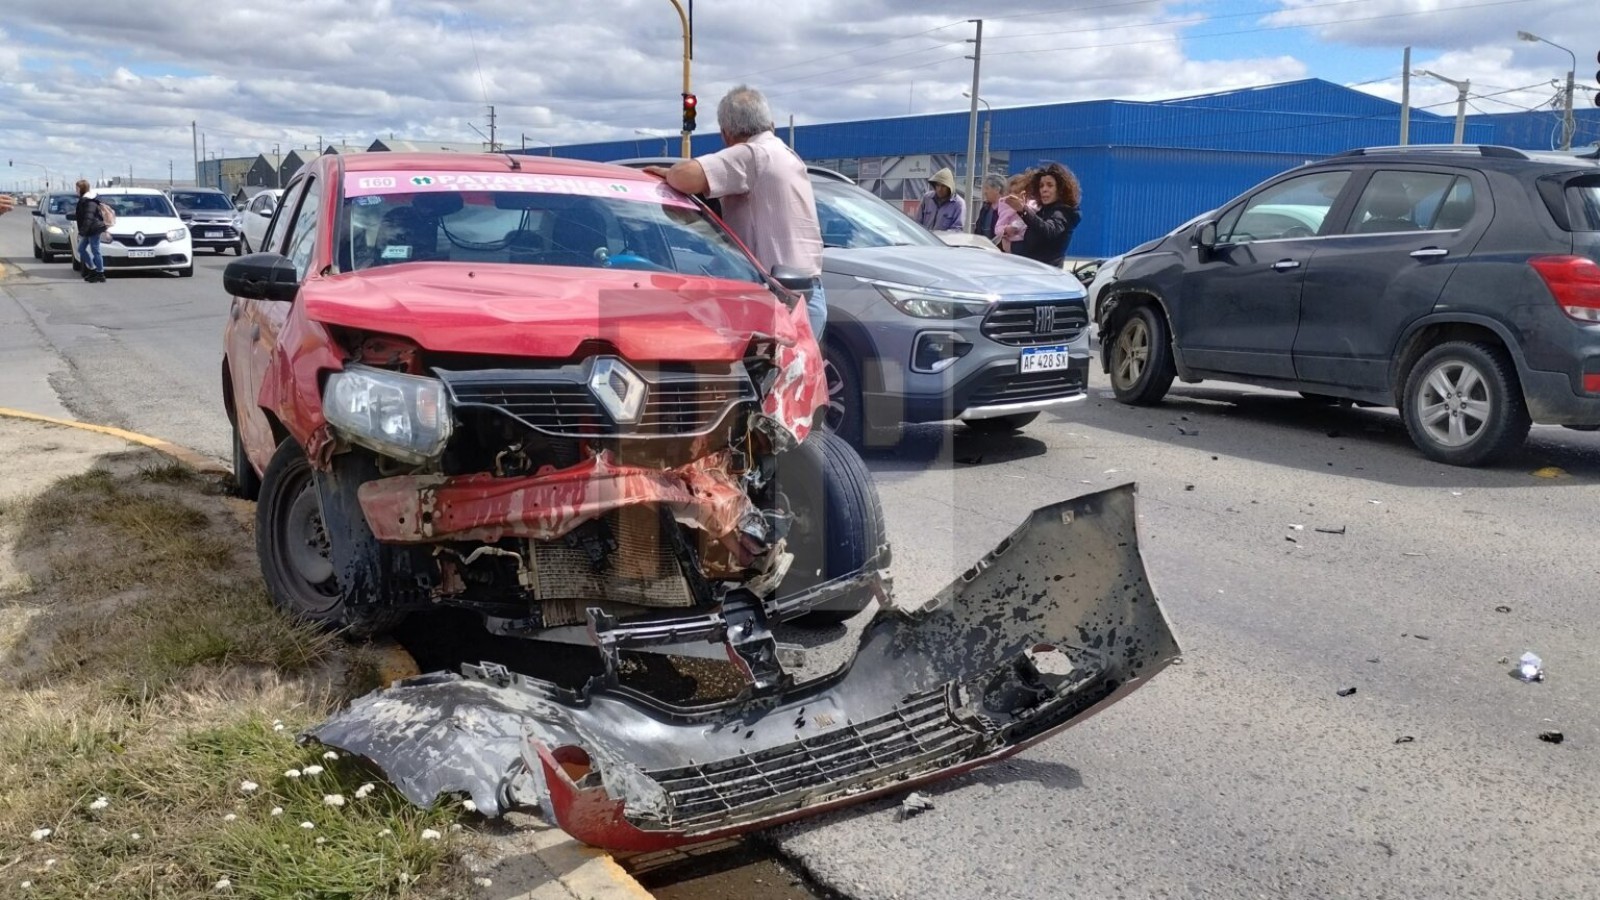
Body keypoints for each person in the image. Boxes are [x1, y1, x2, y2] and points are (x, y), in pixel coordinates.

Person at [642, 85, 827, 341]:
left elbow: (684, 178)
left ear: (726, 135)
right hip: (809, 293)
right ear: (771, 125)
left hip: (777, 301)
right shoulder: (786, 155)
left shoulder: (753, 155)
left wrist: (671, 173)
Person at [1006, 162, 1081, 267]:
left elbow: (1048, 231)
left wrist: (1023, 210)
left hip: (1047, 276)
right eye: (1041, 186)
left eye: (1050, 185)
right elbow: (1031, 246)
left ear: (1060, 189)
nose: (1044, 189)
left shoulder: (1063, 213)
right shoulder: (1042, 211)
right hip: (1032, 272)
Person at [72, 179, 108, 283]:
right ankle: (92, 270)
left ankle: (100, 273)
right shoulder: (85, 199)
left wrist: (82, 233)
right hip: (90, 229)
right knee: (81, 249)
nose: (76, 190)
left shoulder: (89, 201)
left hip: (94, 228)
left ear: (82, 189)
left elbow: (88, 218)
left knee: (95, 250)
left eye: (77, 188)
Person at [993, 171, 1035, 253]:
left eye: (1016, 192)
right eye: (1010, 192)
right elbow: (998, 228)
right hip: (1012, 244)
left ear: (1024, 194)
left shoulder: (1032, 205)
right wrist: (1006, 229)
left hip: (1028, 244)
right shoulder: (1006, 207)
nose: (1011, 195)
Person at [916, 168, 966, 232]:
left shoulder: (959, 204)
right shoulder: (927, 198)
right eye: (938, 185)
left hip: (944, 241)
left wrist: (939, 235)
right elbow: (918, 223)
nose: (940, 189)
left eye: (943, 186)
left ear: (949, 187)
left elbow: (957, 230)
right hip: (925, 240)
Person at [972, 174, 1004, 241]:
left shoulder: (1007, 209)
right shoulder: (985, 208)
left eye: (987, 188)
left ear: (997, 189)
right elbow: (978, 230)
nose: (984, 192)